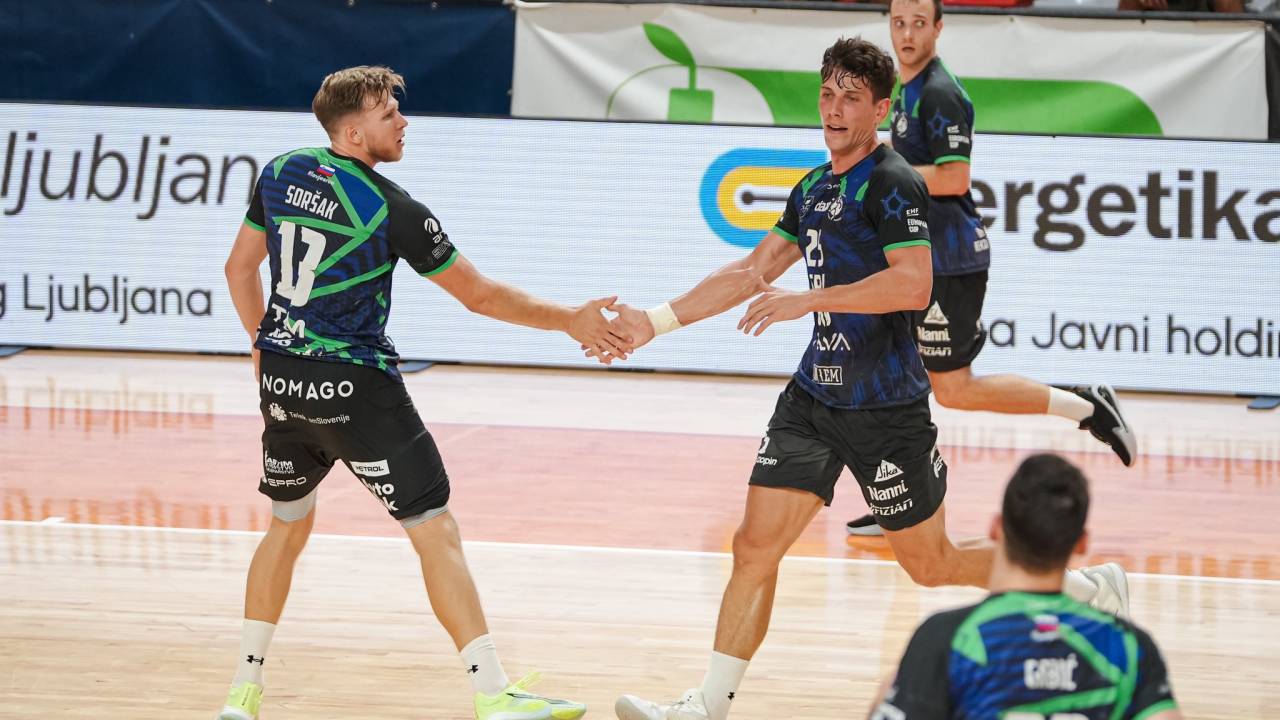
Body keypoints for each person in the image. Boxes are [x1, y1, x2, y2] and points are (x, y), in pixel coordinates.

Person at [602, 38, 1129, 720]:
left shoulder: (893, 182)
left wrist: (810, 300)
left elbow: (913, 285)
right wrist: (655, 321)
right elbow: (750, 271)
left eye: (851, 98)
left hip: (886, 409)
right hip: (813, 400)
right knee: (754, 547)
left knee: (931, 564)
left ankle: (1086, 589)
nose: (834, 109)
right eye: (827, 94)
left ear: (880, 110)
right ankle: (706, 707)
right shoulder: (813, 188)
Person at [218, 65, 629, 720]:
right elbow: (480, 296)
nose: (404, 122)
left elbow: (240, 268)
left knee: (287, 524)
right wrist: (569, 320)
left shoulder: (281, 170)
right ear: (354, 133)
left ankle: (243, 691)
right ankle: (493, 692)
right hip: (357, 387)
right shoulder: (393, 208)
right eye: (389, 113)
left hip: (283, 384)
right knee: (434, 529)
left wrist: (261, 344)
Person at [844, 0, 1138, 537]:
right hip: (916, 257)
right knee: (889, 374)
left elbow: (954, 178)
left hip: (950, 261)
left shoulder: (940, 93)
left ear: (938, 28)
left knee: (953, 389)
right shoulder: (905, 88)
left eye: (918, 24)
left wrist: (884, 167)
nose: (907, 34)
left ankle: (1083, 404)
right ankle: (900, 502)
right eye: (898, 23)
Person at [869, 454, 1181, 720]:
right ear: (1082, 543)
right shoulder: (1129, 645)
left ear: (995, 529)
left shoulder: (944, 638)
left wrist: (895, 685)